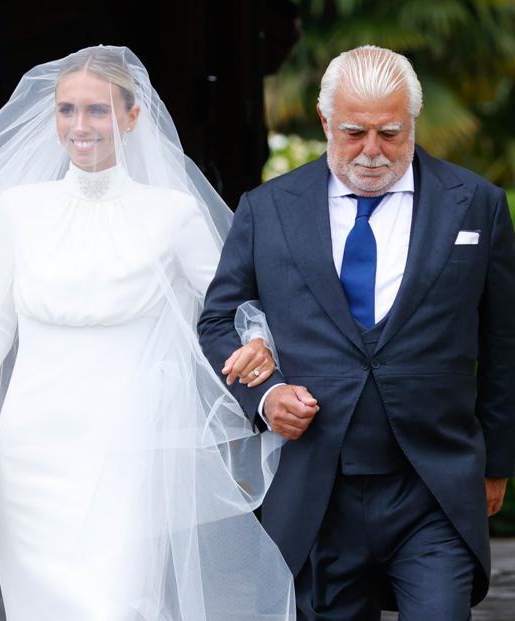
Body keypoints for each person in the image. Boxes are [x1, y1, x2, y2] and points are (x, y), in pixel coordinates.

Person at [0, 46, 294, 620]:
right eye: (66, 110)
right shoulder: (17, 209)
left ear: (132, 117)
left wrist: (257, 346)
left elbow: (225, 308)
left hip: (126, 449)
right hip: (29, 453)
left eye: (98, 111)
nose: (80, 127)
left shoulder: (172, 214)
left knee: (112, 602)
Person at [198, 45, 515, 620]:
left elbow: (502, 341)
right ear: (324, 122)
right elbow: (218, 319)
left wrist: (497, 461)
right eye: (354, 132)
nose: (372, 151)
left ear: (412, 122)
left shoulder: (477, 206)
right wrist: (265, 396)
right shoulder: (268, 208)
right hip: (317, 488)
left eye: (391, 133)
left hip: (432, 486)